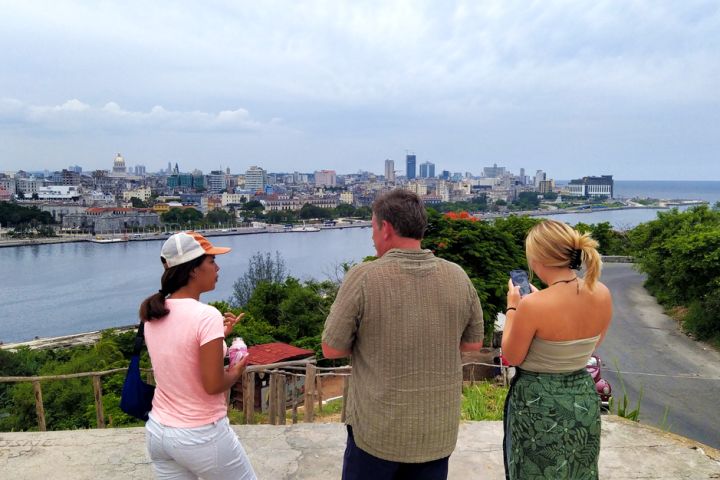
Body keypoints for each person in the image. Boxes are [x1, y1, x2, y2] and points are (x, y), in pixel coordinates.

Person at [322, 189, 485, 480]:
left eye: (372, 227)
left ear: (385, 228)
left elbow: (331, 348)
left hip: (378, 432)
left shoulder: (364, 277)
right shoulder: (458, 276)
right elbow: (473, 344)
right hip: (436, 432)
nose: (372, 236)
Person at [139, 231, 257, 480]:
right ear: (193, 270)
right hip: (200, 434)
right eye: (211, 261)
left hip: (159, 432)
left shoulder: (154, 313)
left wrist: (220, 336)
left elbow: (181, 355)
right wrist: (237, 370)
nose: (217, 267)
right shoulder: (206, 315)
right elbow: (214, 385)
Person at [501, 220, 612, 480]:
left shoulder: (533, 306)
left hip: (539, 403)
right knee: (578, 470)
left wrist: (514, 308)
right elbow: (592, 345)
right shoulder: (602, 292)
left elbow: (513, 356)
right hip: (581, 398)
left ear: (538, 258)